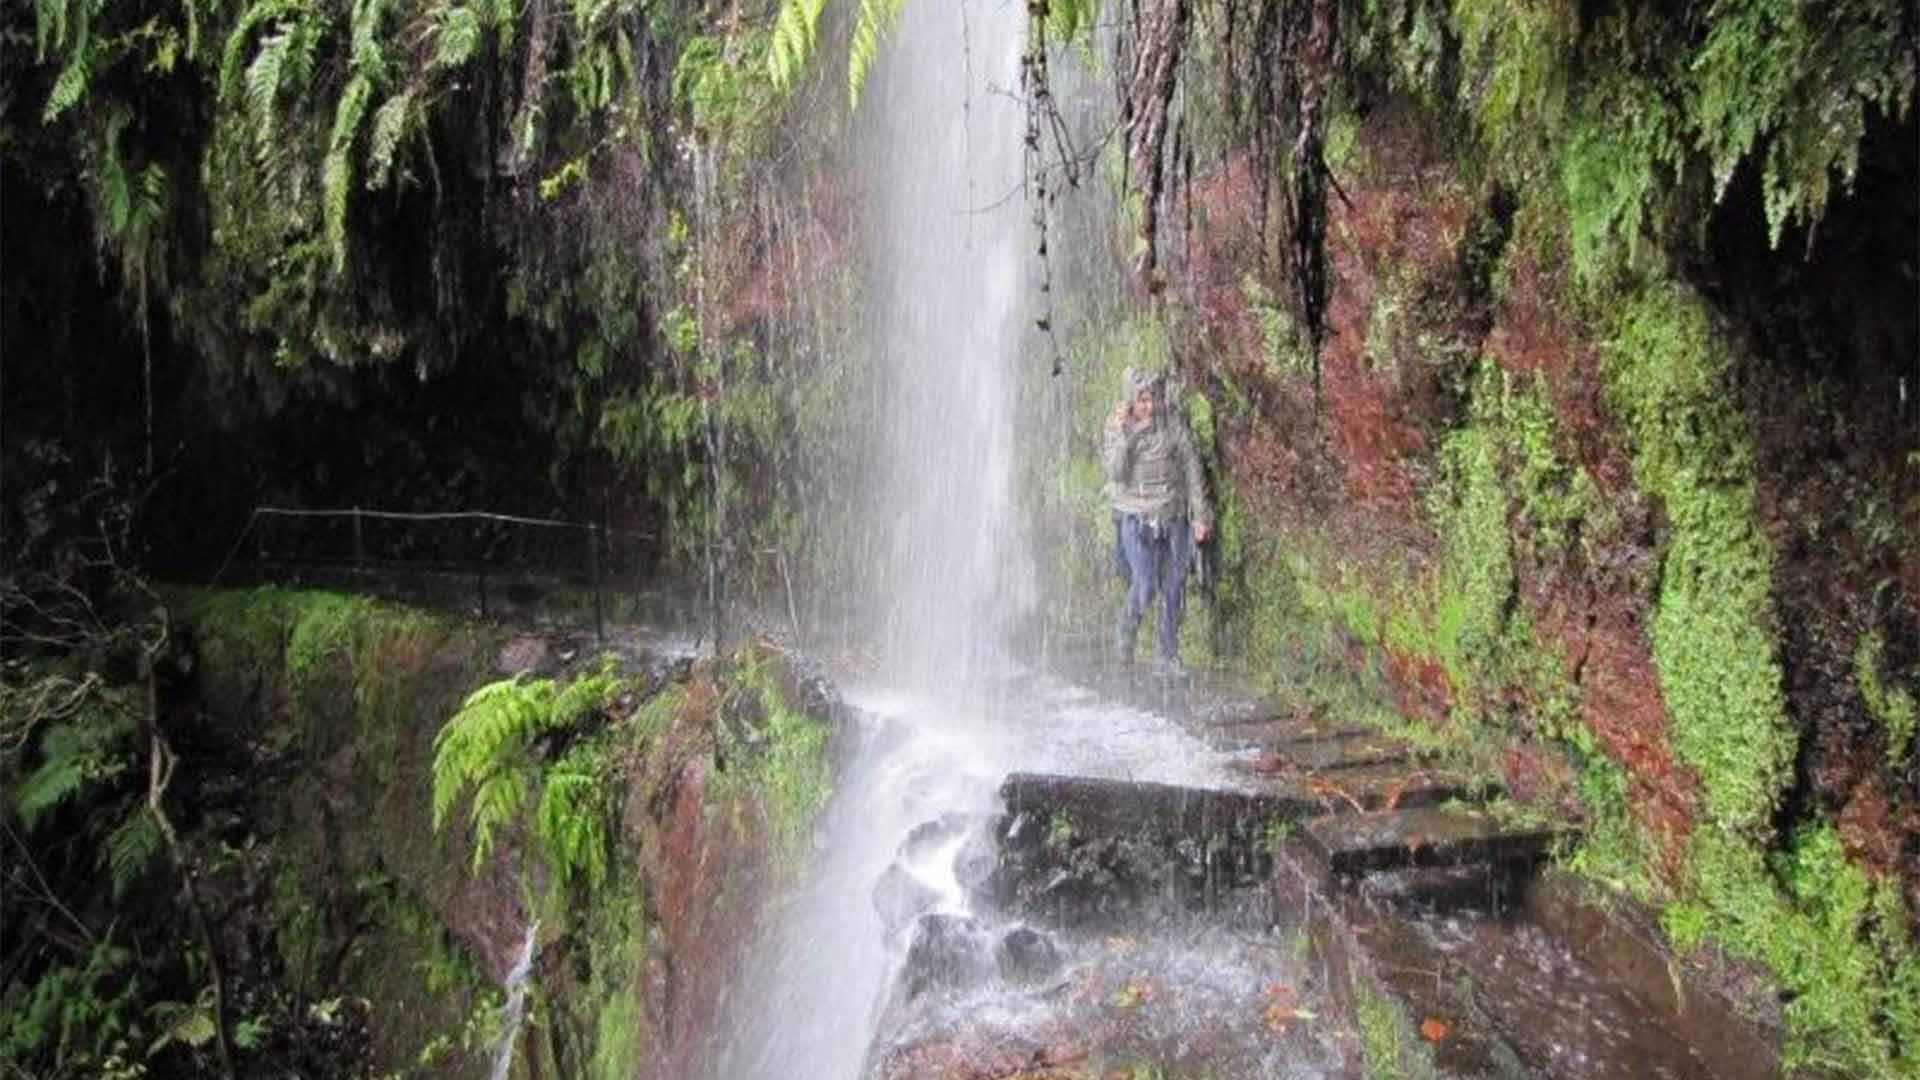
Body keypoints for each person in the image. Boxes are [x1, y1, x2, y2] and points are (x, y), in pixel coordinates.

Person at [1104, 366, 1212, 673]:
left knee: (1174, 586)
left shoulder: (1173, 425)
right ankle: (1126, 634)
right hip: (1135, 516)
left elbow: (1192, 469)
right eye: (1142, 400)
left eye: (1154, 399)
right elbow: (1115, 473)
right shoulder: (1117, 427)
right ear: (1130, 401)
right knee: (1146, 584)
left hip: (1172, 513)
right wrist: (1130, 436)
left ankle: (1167, 653)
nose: (1149, 407)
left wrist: (1200, 516)